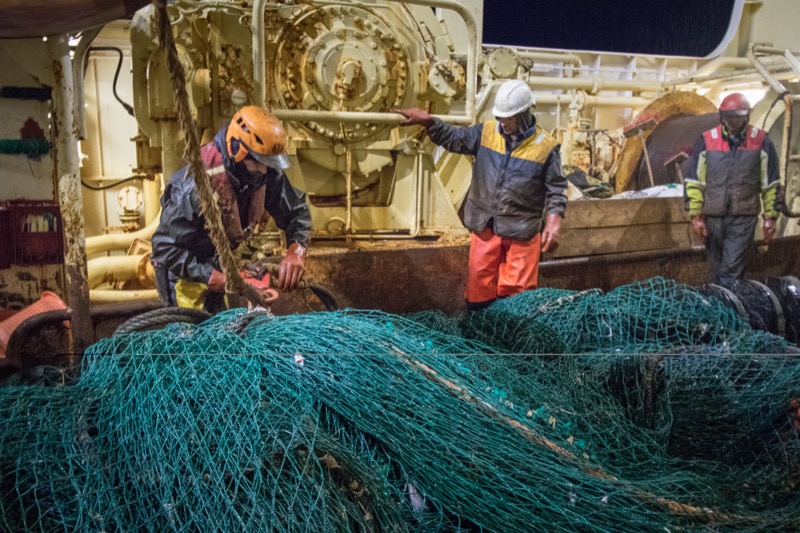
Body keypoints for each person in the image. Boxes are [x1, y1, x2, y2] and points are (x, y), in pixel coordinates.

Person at [395, 79, 567, 311]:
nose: (502, 122)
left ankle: (511, 341)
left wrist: (554, 221)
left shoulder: (546, 148)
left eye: (509, 118)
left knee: (518, 297)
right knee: (478, 291)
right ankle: (480, 333)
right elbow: (454, 139)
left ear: (525, 115)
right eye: (500, 116)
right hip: (484, 227)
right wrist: (429, 122)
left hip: (522, 233)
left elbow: (556, 189)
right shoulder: (486, 132)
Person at [151, 106, 311, 312]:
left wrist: (296, 252)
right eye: (258, 163)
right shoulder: (194, 186)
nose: (263, 171)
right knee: (192, 339)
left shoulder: (265, 174)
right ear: (237, 150)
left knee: (219, 334)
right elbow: (165, 248)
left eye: (269, 164)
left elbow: (296, 213)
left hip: (219, 267)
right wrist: (211, 277)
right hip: (183, 274)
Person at [685, 92, 783, 288]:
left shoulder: (761, 141)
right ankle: (721, 312)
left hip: (743, 218)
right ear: (722, 116)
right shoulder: (707, 140)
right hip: (714, 218)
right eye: (729, 116)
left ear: (745, 115)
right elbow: (694, 181)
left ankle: (729, 312)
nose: (733, 121)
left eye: (737, 116)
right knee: (716, 270)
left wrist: (770, 217)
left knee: (729, 272)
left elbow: (770, 183)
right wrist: (696, 216)